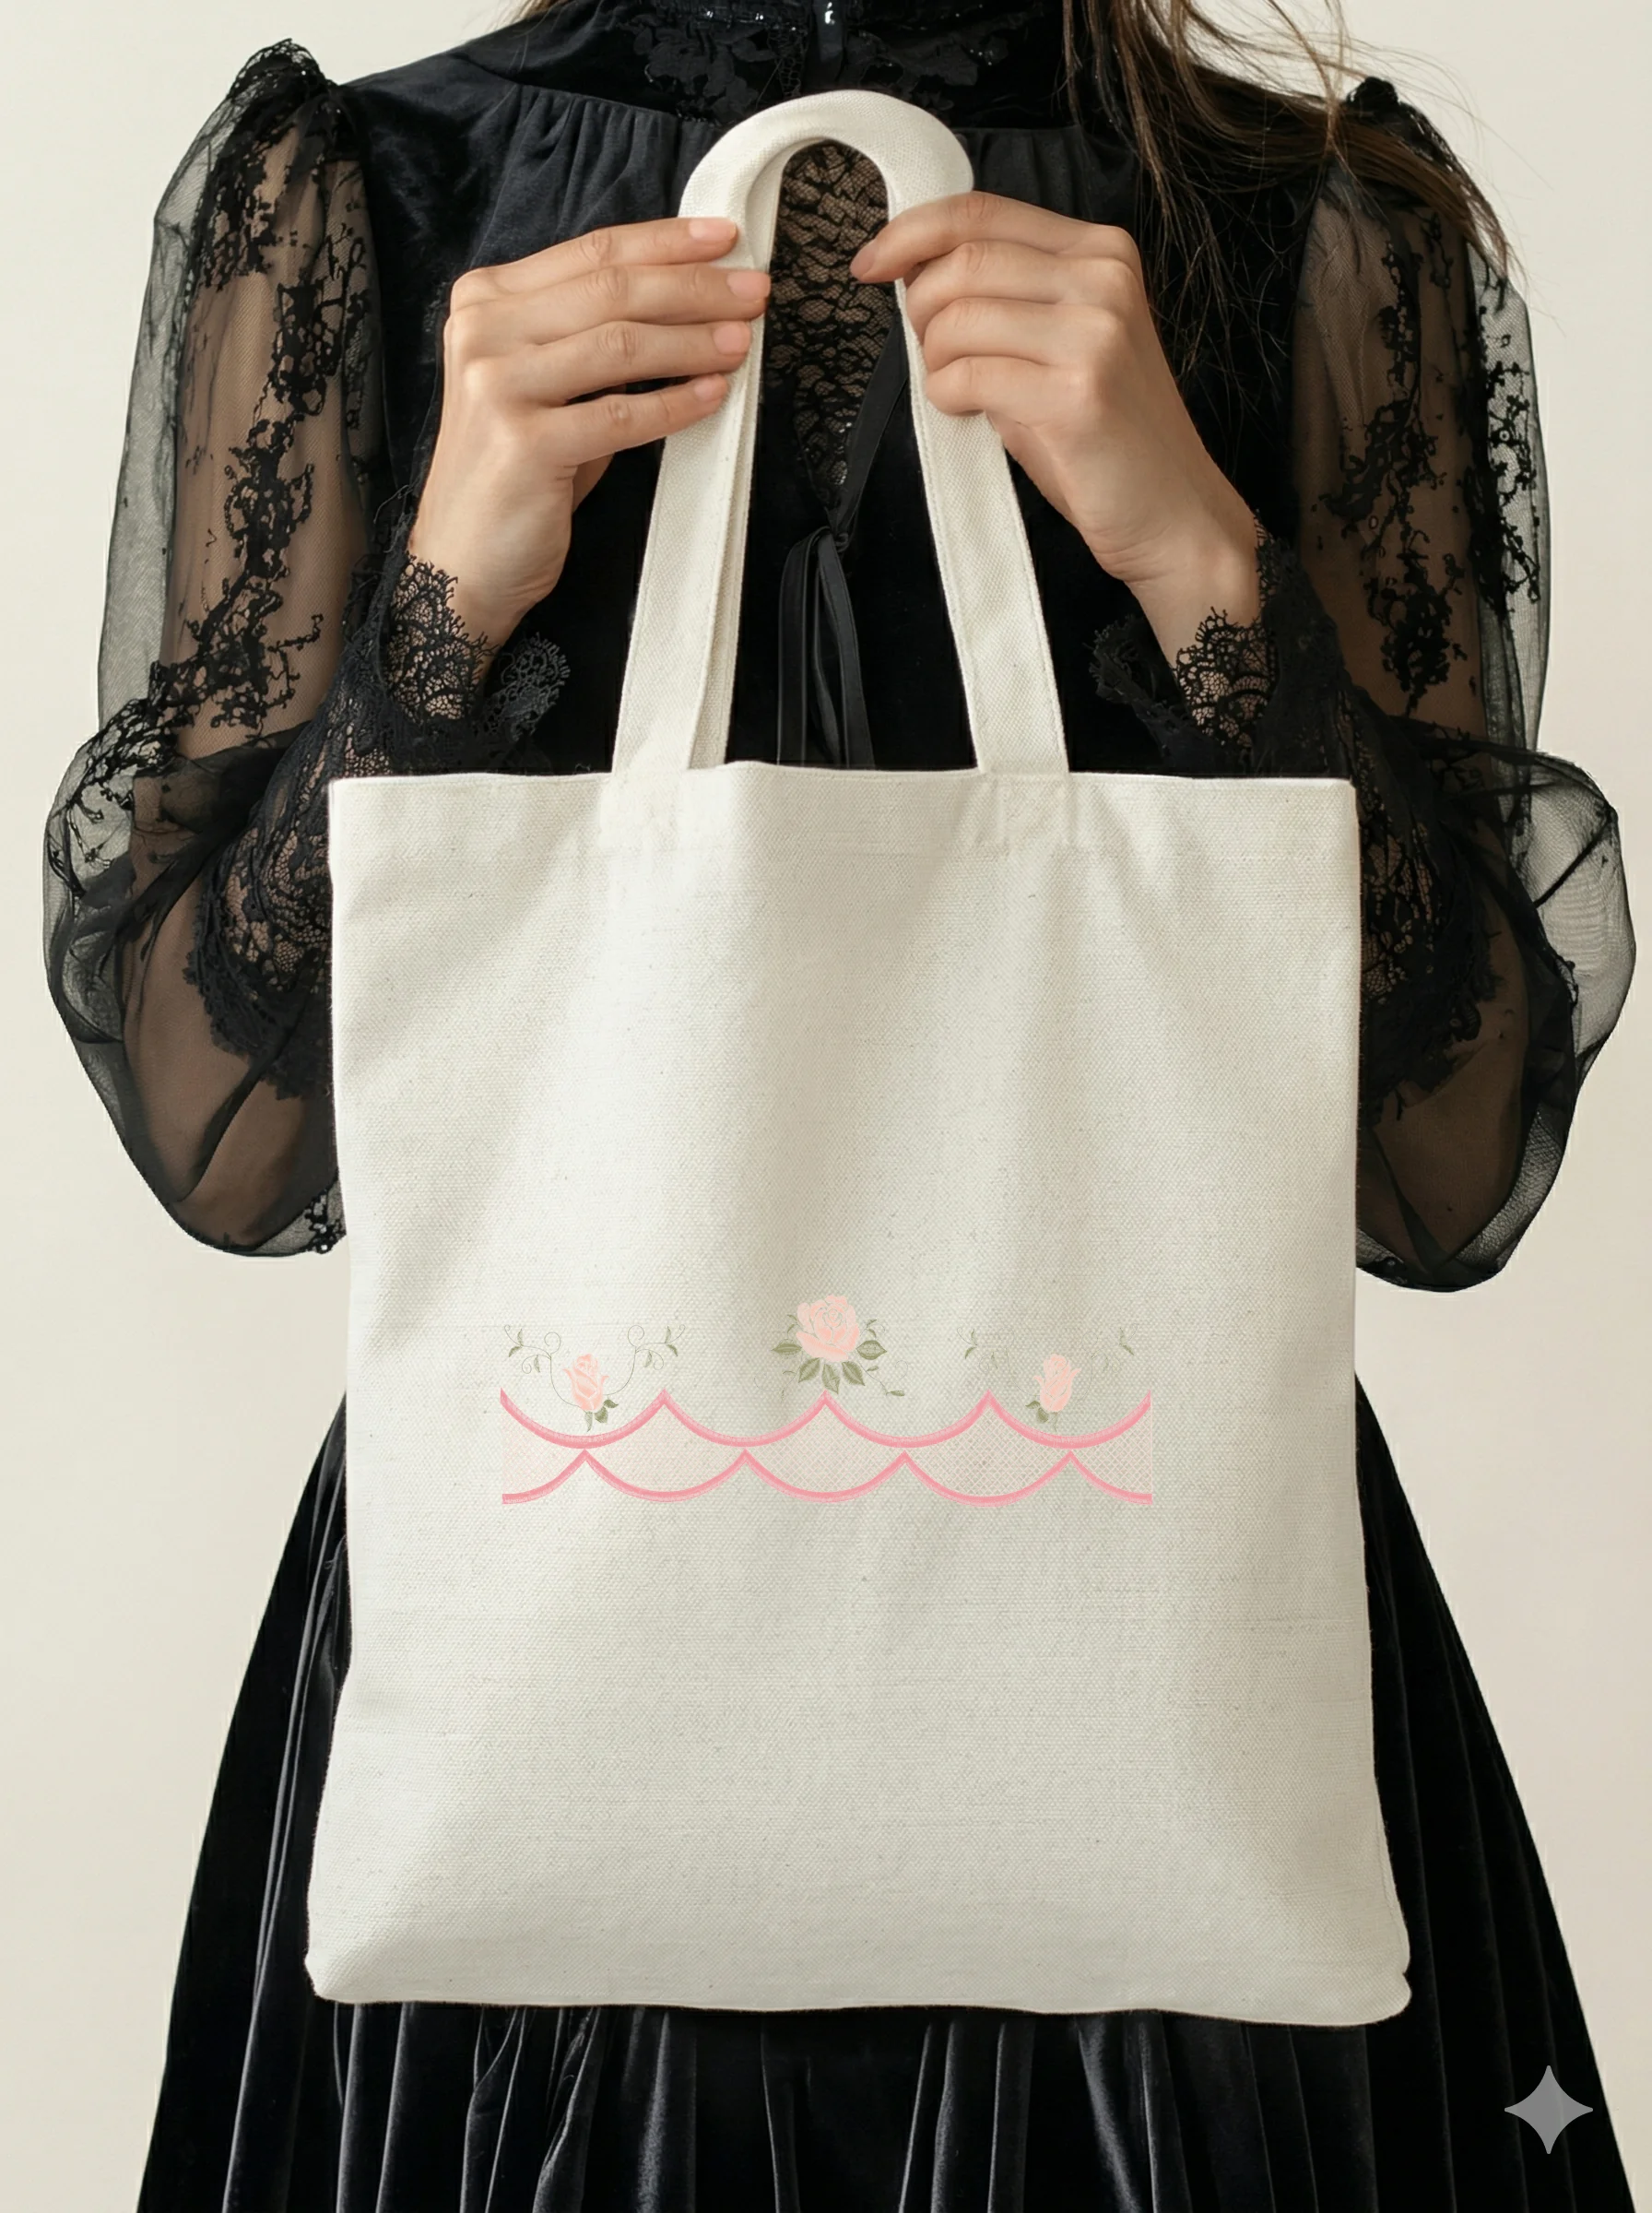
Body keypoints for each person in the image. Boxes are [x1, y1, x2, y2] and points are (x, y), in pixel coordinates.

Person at [43, 1, 1637, 2204]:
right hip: (557, 1636)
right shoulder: (367, 202)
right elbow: (228, 1137)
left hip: (1151, 1644)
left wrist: (1202, 568)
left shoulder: (1315, 226)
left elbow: (1434, 1170)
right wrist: (442, 601)